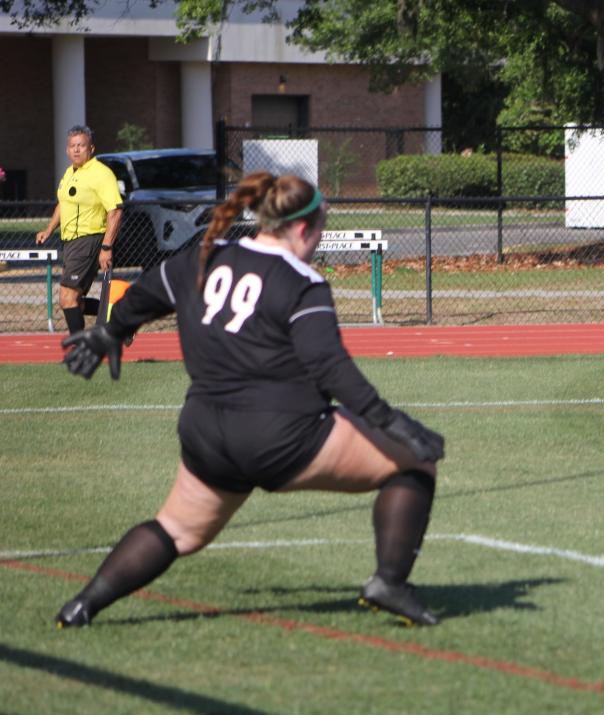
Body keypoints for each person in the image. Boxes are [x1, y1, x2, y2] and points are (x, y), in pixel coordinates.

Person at [55, 171, 446, 628]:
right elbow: (329, 366)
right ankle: (389, 584)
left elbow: (148, 289)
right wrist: (389, 421)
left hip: (206, 436)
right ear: (303, 228)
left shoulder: (205, 256)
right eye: (319, 230)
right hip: (283, 436)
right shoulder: (302, 281)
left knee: (176, 530)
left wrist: (111, 330)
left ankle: (82, 606)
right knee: (415, 462)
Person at [35, 125, 123, 334]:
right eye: (72, 146)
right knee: (73, 301)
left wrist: (107, 246)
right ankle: (121, 315)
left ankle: (81, 348)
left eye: (81, 146)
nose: (76, 150)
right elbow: (63, 203)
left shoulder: (101, 174)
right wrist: (49, 229)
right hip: (70, 242)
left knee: (67, 297)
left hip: (89, 239)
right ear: (67, 150)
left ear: (91, 148)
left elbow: (116, 211)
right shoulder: (69, 173)